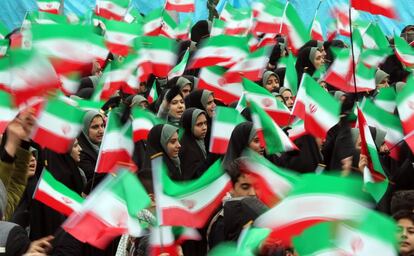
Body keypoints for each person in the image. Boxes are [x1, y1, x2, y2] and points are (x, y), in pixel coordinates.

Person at [179, 108, 208, 180]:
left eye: (205, 123)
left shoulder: (201, 141)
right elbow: (194, 176)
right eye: (199, 124)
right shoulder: (187, 149)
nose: (204, 128)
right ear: (189, 125)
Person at [77, 111, 105, 181]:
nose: (101, 131)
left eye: (102, 125)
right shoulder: (80, 153)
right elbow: (95, 179)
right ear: (85, 129)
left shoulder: (105, 145)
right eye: (95, 127)